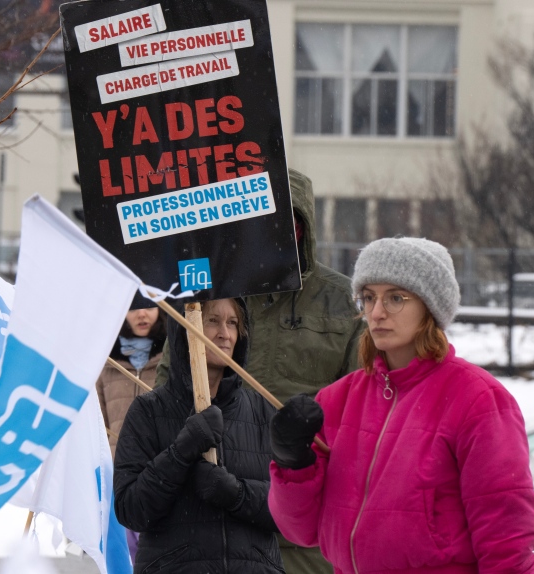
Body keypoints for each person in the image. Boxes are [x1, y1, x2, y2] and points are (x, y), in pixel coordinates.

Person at [267, 237, 534, 574]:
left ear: (430, 307)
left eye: (396, 298)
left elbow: (507, 542)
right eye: (369, 297)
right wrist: (294, 464)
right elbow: (301, 530)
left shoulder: (478, 399)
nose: (376, 312)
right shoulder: (337, 400)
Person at [157, 168, 365, 574]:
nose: (274, 231)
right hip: (209, 521)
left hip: (303, 535)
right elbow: (167, 389)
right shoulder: (208, 293)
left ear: (303, 227)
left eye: (288, 220)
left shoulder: (343, 302)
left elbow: (361, 415)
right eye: (261, 218)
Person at [114, 299, 283, 573]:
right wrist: (180, 452)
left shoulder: (262, 410)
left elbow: (290, 510)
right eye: (212, 320)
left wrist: (236, 494)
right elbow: (131, 510)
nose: (224, 334)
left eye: (233, 323)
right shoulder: (149, 411)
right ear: (185, 327)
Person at [95, 304, 166, 561]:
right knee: (121, 560)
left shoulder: (170, 361)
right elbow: (97, 427)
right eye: (133, 307)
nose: (141, 314)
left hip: (159, 478)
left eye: (148, 305)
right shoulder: (107, 362)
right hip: (117, 481)